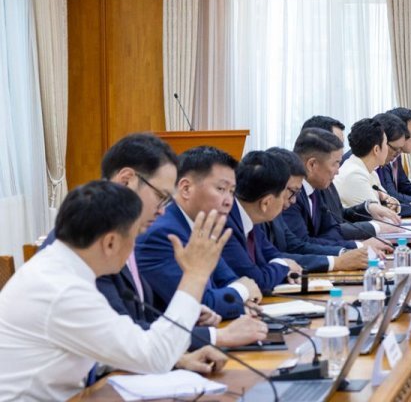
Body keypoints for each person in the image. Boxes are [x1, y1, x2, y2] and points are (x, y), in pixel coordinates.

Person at [0, 182, 233, 400]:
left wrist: (178, 359)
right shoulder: (64, 290)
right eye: (133, 237)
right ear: (110, 242)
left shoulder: (60, 268)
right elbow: (155, 357)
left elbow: (103, 343)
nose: (133, 248)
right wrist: (195, 275)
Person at [40, 134, 266, 351]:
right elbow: (123, 340)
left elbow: (139, 320)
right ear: (126, 181)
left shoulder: (122, 236)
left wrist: (185, 325)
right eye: (160, 196)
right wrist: (217, 336)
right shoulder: (88, 241)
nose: (161, 211)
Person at [138, 147, 262, 319]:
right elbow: (198, 303)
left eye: (232, 191)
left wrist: (240, 293)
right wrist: (242, 292)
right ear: (186, 189)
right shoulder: (163, 234)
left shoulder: (203, 227)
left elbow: (229, 280)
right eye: (221, 189)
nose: (229, 201)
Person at [282, 127, 394, 254]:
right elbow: (300, 245)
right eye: (335, 163)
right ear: (312, 164)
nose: (338, 171)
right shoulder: (290, 195)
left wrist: (356, 246)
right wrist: (357, 246)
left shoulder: (316, 188)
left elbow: (332, 230)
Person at [263, 147, 368, 273]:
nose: (293, 200)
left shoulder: (276, 212)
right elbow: (267, 260)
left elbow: (296, 246)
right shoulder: (252, 218)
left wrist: (343, 254)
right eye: (292, 192)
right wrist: (337, 262)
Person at [221, 151, 304, 292]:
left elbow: (273, 255)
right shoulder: (225, 224)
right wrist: (284, 267)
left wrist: (281, 265)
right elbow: (257, 280)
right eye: (284, 195)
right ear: (266, 202)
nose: (292, 201)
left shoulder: (251, 217)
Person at [334, 118, 392, 210]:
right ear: (376, 150)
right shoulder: (354, 175)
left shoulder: (370, 171)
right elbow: (380, 214)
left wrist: (392, 203)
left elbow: (389, 201)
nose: (387, 148)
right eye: (386, 143)